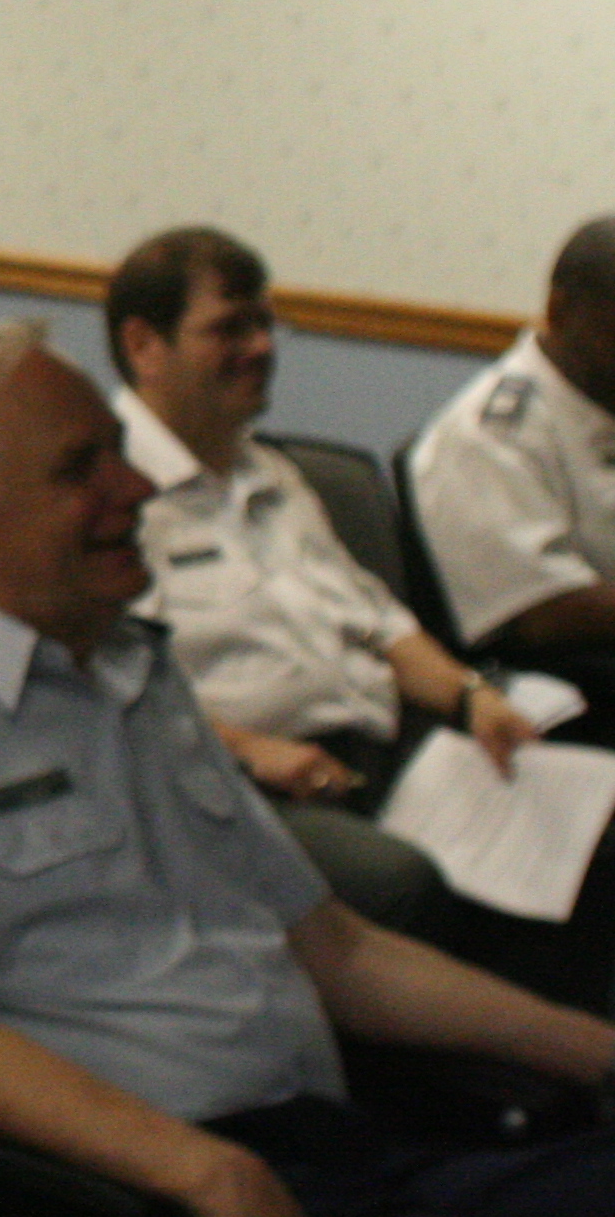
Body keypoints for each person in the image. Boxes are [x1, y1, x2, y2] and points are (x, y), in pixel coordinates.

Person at [0, 320, 615, 1217]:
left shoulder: (132, 668)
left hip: (336, 1145)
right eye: (81, 468)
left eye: (119, 454)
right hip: (143, 1195)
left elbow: (336, 950)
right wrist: (212, 1180)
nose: (135, 487)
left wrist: (594, 1046)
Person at [110, 227, 593, 986]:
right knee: (404, 884)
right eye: (230, 329)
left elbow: (380, 621)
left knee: (589, 833)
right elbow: (107, 683)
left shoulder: (270, 472)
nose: (261, 347)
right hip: (241, 786)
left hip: (386, 759)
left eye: (267, 324)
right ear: (144, 345)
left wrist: (472, 698)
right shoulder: (108, 496)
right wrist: (250, 749)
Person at [410, 218, 615, 700]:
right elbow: (540, 612)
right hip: (571, 682)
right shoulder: (492, 433)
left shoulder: (599, 395)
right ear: (559, 311)